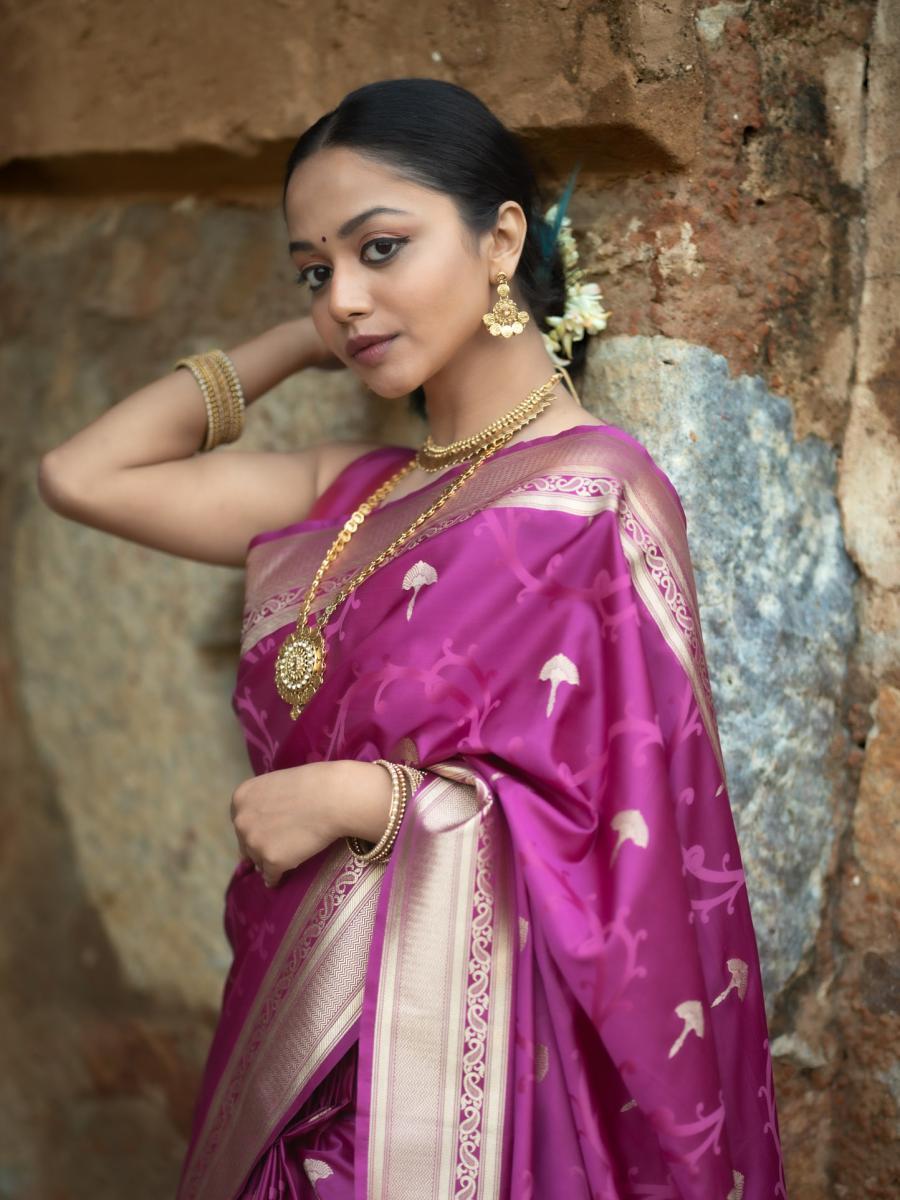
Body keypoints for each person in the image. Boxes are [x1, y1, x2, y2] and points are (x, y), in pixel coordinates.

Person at [37, 78, 787, 1200]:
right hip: (296, 1035)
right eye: (313, 269)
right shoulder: (352, 492)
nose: (345, 296)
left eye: (380, 248)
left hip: (474, 1084)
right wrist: (301, 340)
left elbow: (630, 847)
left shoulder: (598, 499)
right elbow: (81, 475)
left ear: (501, 242)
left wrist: (369, 800)